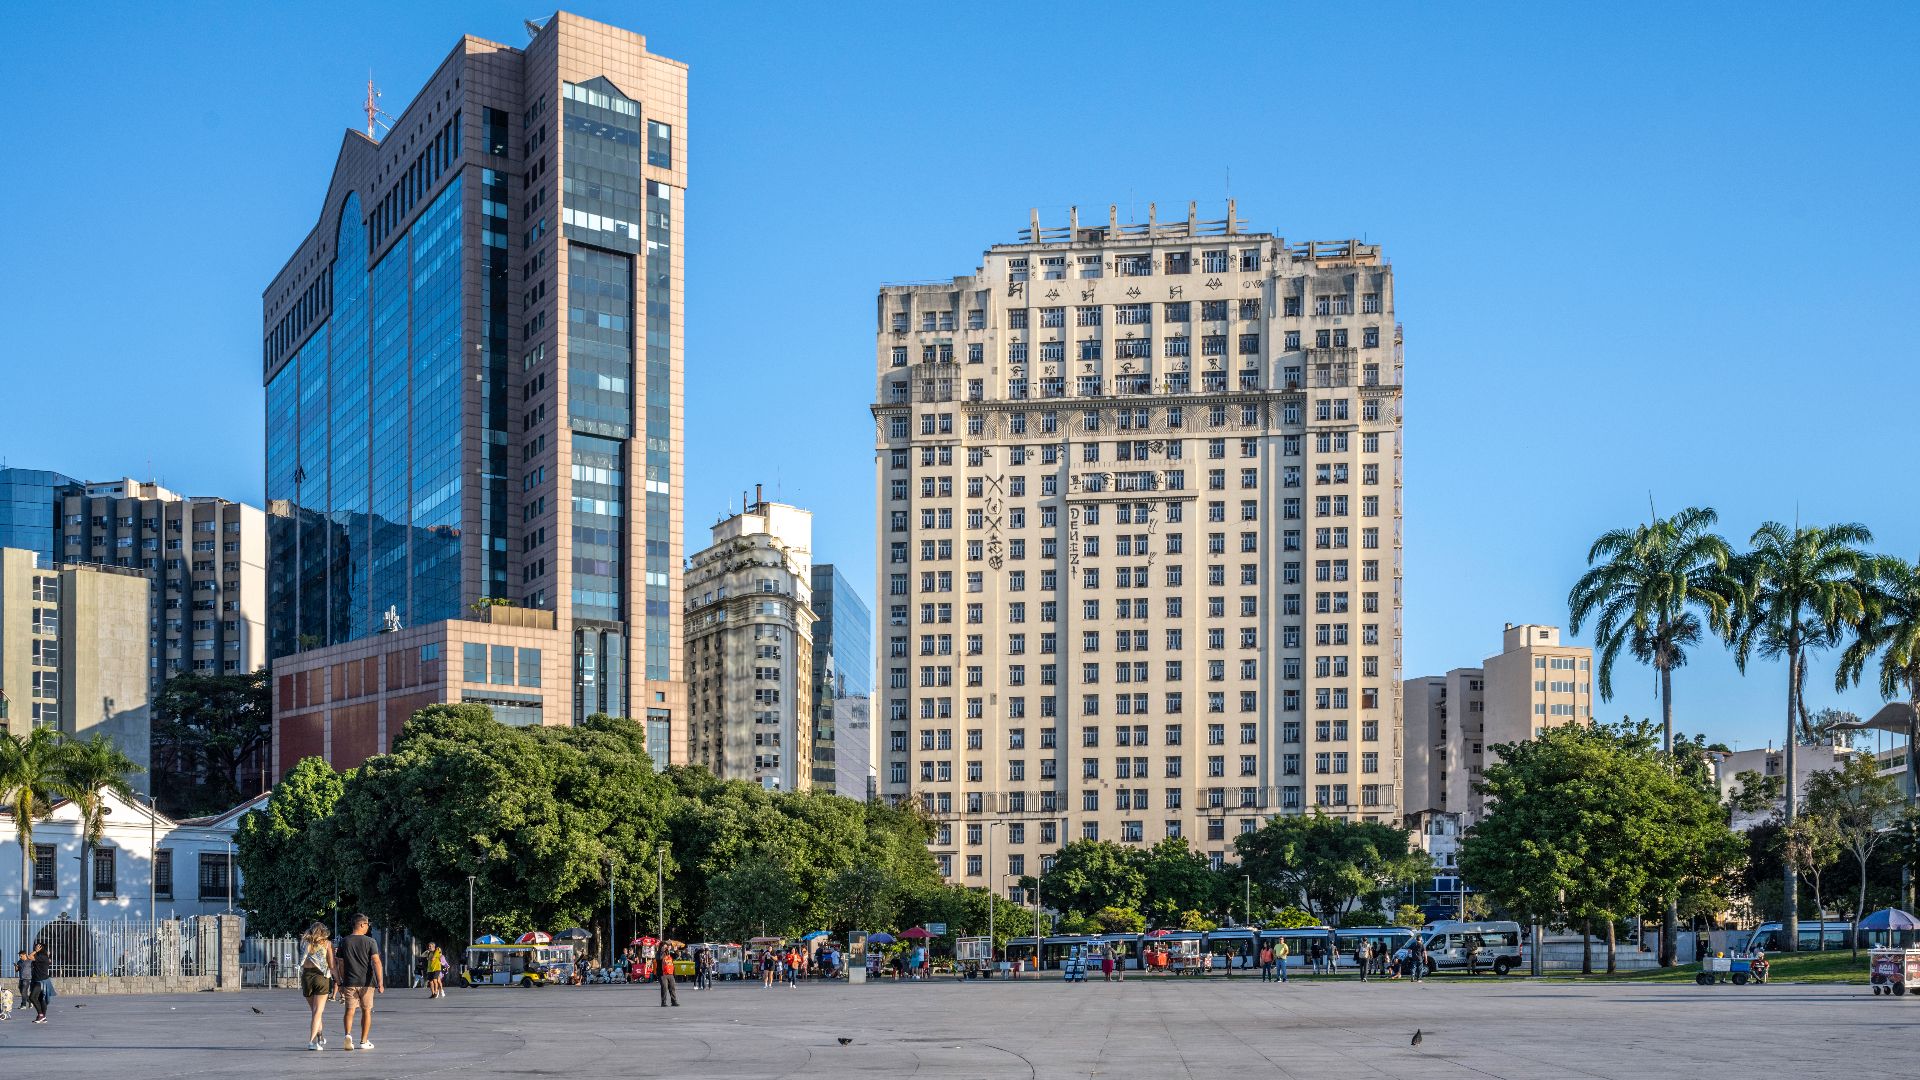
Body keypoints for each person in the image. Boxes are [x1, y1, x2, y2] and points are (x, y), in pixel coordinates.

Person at [333, 913, 384, 1052]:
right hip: (367, 982)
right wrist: (380, 982)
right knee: (366, 1011)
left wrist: (342, 981)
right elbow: (376, 961)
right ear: (361, 924)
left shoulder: (344, 941)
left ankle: (348, 1035)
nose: (368, 927)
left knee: (349, 1010)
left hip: (350, 981)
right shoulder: (370, 941)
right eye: (367, 924)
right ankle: (364, 1040)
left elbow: (340, 963)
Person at [299, 923, 335, 1050]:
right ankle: (312, 1042)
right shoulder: (327, 944)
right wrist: (339, 981)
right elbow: (332, 965)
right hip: (321, 977)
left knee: (315, 1012)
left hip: (306, 977)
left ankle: (320, 1037)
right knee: (317, 1012)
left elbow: (302, 959)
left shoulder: (304, 942)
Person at [26, 945, 52, 1024]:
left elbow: (29, 957)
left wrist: (36, 951)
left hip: (41, 981)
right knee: (41, 999)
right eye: (36, 946)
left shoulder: (42, 957)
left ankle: (41, 1015)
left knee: (32, 997)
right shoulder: (42, 957)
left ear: (41, 948)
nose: (36, 948)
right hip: (37, 980)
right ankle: (43, 1017)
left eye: (38, 947)